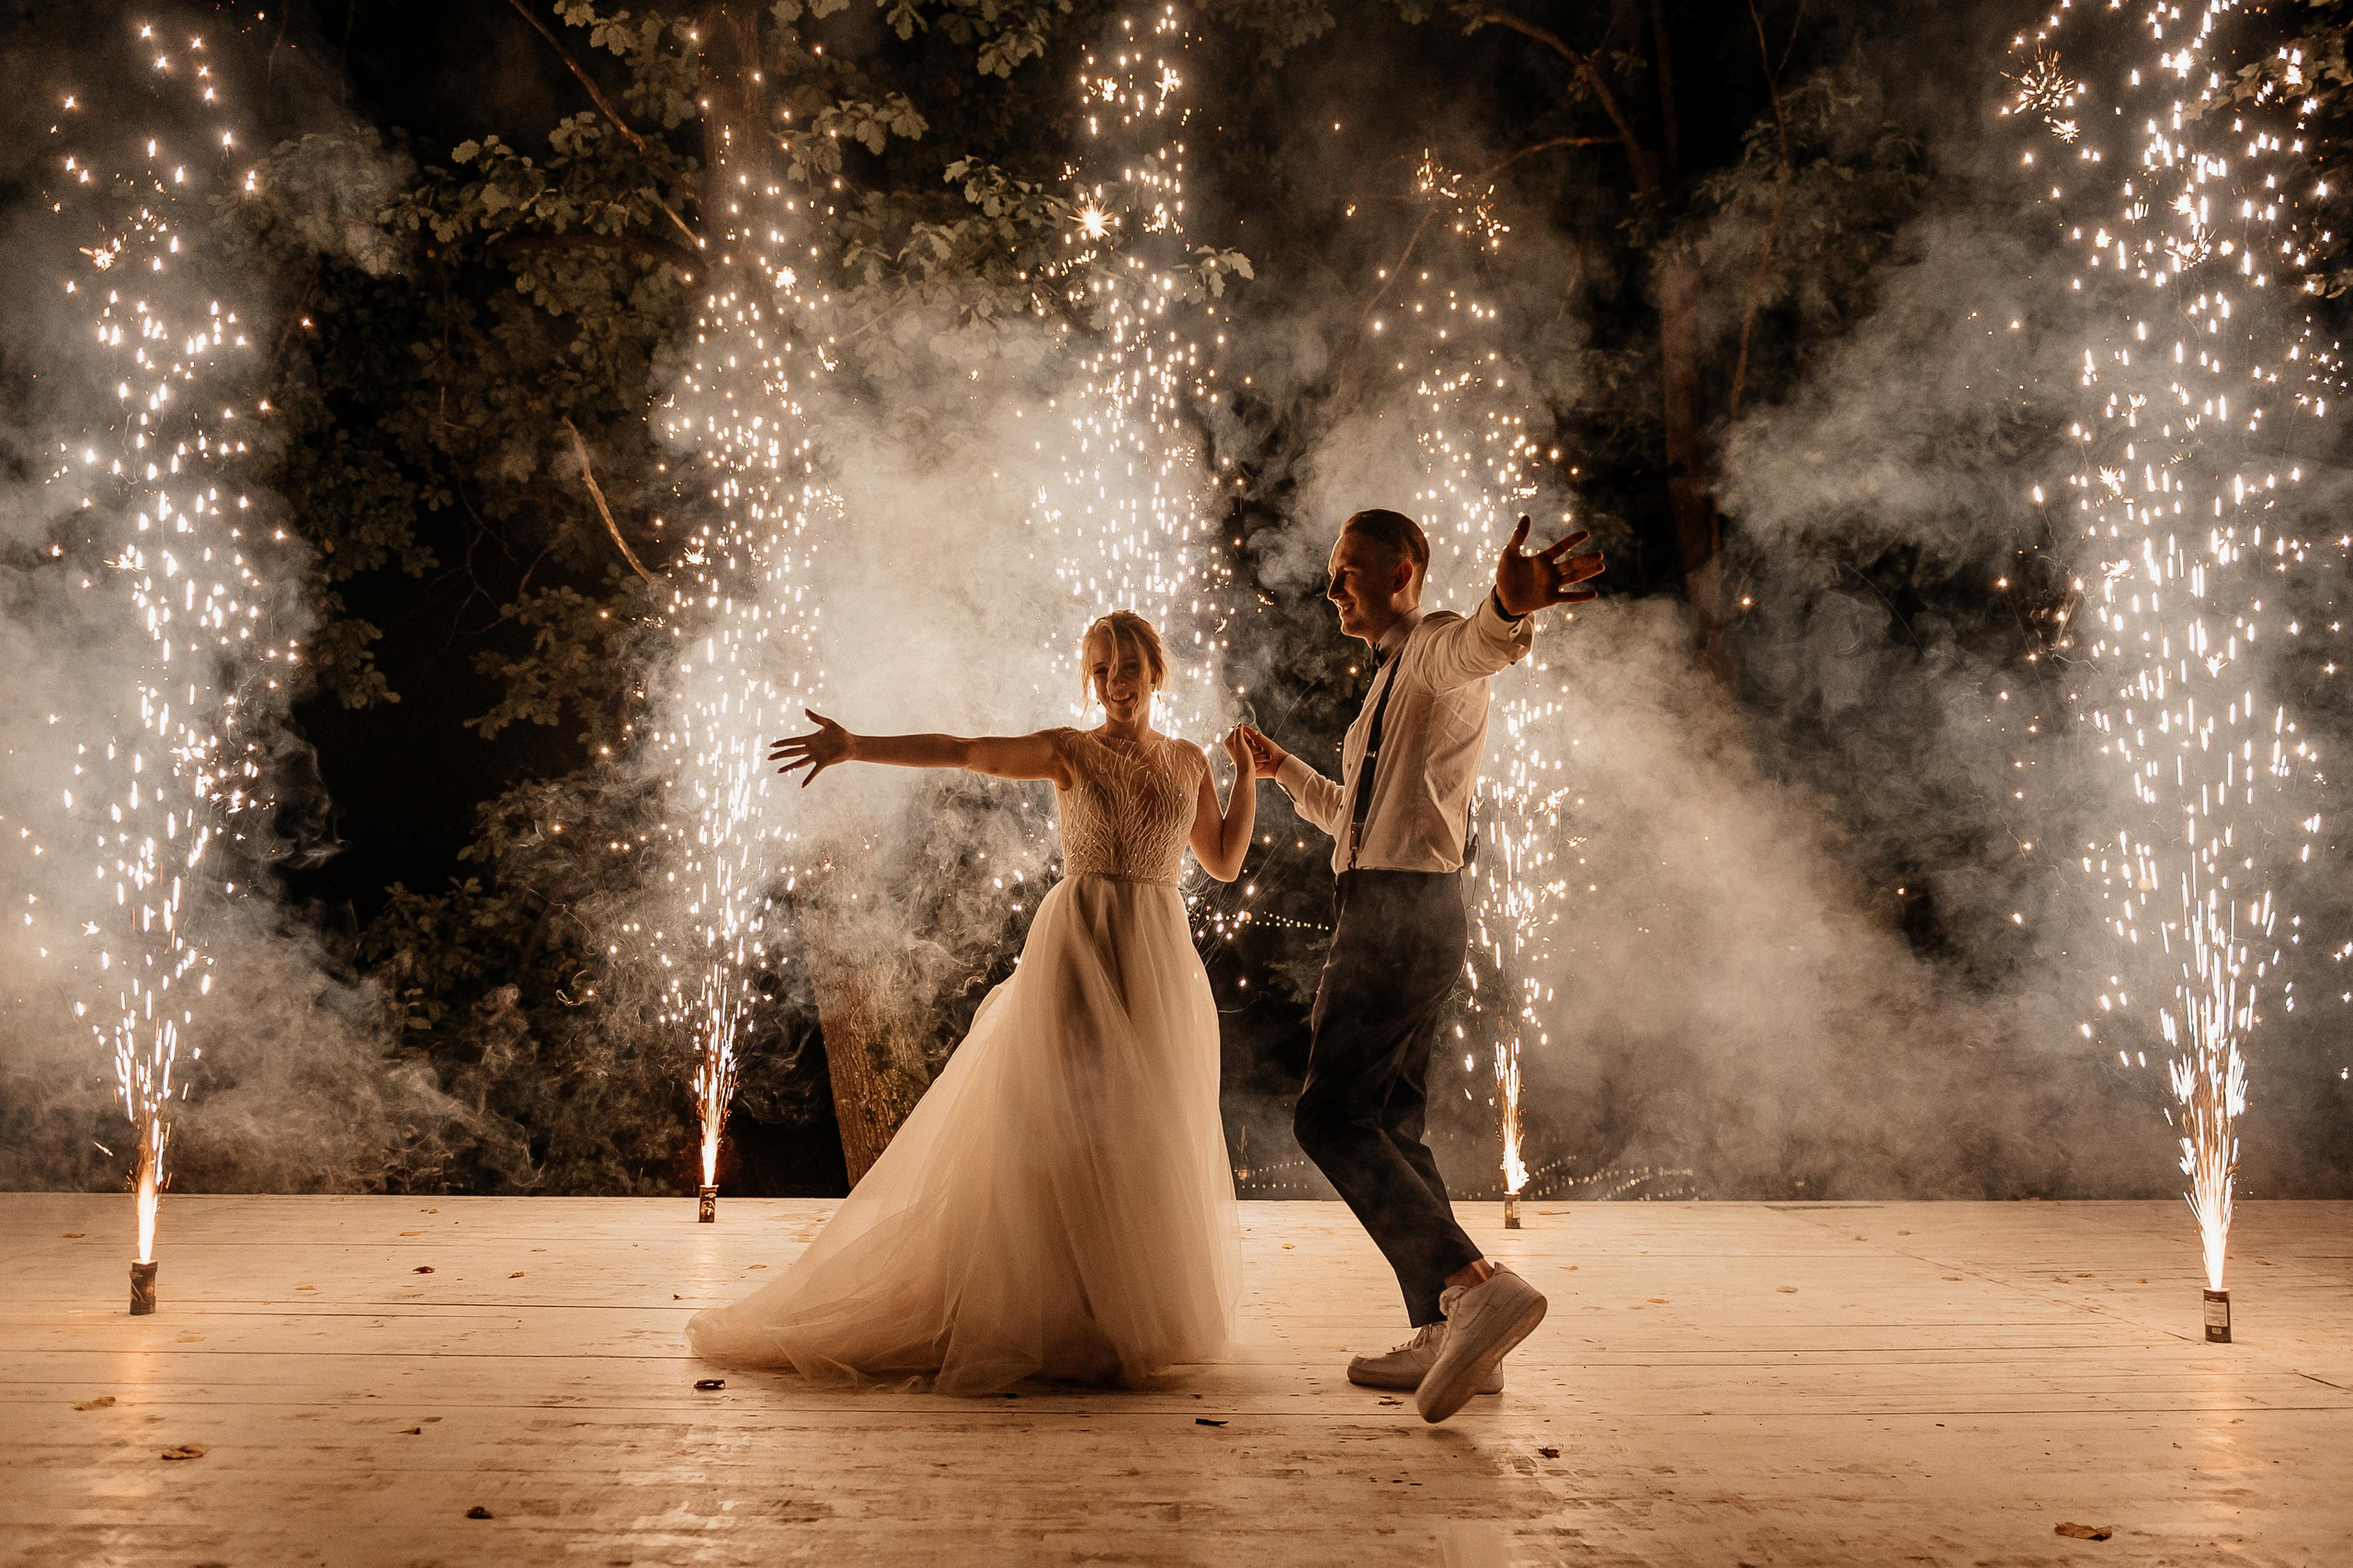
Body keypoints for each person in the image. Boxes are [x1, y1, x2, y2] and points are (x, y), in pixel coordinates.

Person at [688, 610, 1256, 1394]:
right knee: (1065, 1122)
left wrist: (1249, 778)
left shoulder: (1189, 761)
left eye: (1128, 668)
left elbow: (1223, 861)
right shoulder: (1071, 750)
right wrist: (858, 746)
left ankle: (1117, 1312)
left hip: (1157, 955)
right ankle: (1053, 1311)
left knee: (1142, 1126)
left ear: (1157, 672)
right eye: (1100, 670)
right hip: (1081, 944)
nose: (1115, 684)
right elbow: (965, 753)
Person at [1238, 508, 1601, 1424]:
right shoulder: (1387, 684)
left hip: (1401, 910)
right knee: (1391, 1123)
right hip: (1391, 900)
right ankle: (1450, 1330)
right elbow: (1361, 819)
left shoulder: (1437, 646)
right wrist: (1286, 773)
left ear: (1403, 568)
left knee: (1328, 1115)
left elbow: (1483, 641)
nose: (1331, 590)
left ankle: (1473, 1283)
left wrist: (1509, 608)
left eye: (1347, 571)